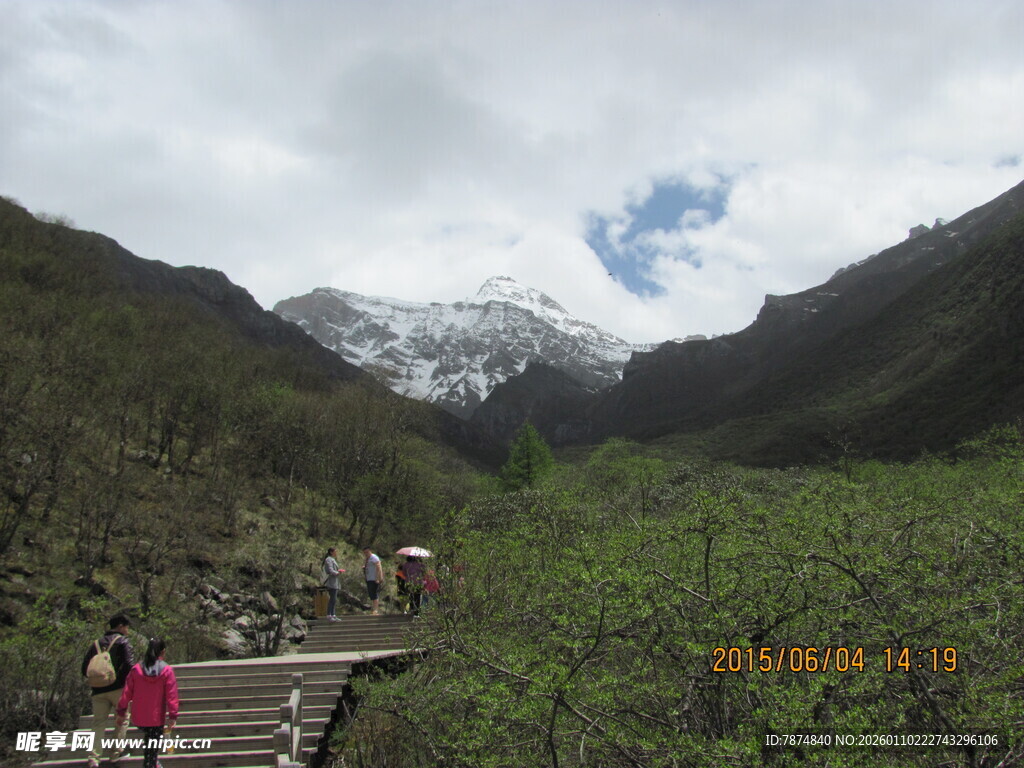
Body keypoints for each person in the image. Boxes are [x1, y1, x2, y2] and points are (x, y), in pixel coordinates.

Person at [81, 613, 135, 767]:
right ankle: (115, 754)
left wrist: (98, 680)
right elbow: (129, 665)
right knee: (122, 719)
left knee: (98, 723)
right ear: (120, 626)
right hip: (118, 689)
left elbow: (85, 668)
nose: (127, 630)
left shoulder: (95, 644)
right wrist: (121, 681)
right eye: (126, 627)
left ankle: (94, 758)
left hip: (98, 690)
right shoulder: (123, 641)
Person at [116, 637, 179, 768]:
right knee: (151, 749)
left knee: (150, 744)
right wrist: (173, 715)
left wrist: (121, 711)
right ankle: (152, 763)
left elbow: (126, 692)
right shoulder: (166, 670)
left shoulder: (136, 669)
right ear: (163, 652)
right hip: (156, 717)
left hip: (139, 717)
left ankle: (153, 763)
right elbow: (171, 695)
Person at [321, 547, 344, 621]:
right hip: (331, 582)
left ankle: (333, 614)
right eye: (335, 551)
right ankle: (329, 615)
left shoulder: (333, 559)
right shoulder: (328, 559)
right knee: (332, 598)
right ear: (331, 552)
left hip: (335, 582)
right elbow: (330, 570)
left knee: (334, 599)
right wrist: (337, 572)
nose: (336, 553)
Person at [362, 546, 384, 615]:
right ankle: (374, 609)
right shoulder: (367, 559)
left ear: (370, 551)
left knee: (374, 594)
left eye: (367, 552)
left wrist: (378, 577)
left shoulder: (373, 557)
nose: (366, 553)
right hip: (369, 578)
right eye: (365, 552)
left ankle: (376, 610)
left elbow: (378, 566)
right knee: (371, 594)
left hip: (373, 578)